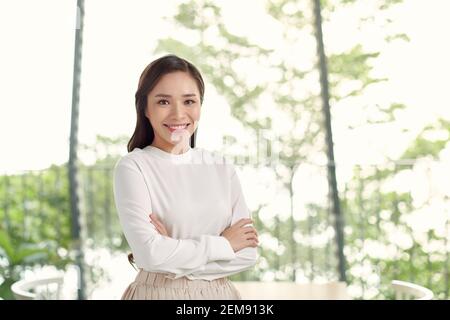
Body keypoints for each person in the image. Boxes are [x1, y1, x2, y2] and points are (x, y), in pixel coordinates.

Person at [113, 54, 259, 300]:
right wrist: (223, 245)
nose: (178, 114)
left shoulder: (221, 167)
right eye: (163, 102)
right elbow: (150, 254)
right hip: (158, 294)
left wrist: (172, 252)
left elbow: (247, 254)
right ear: (145, 108)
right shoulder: (133, 167)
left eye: (189, 101)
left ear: (200, 105)